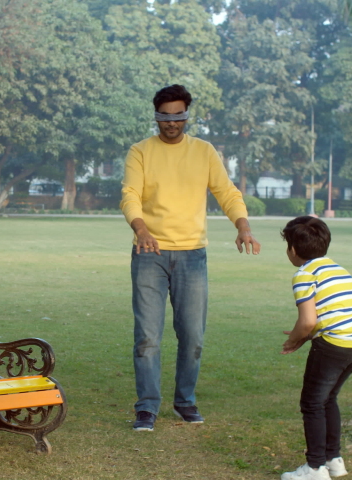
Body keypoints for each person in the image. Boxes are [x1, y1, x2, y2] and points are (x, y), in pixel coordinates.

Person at [120, 84, 261, 432]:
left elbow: (227, 193)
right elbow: (130, 195)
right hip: (149, 254)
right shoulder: (140, 152)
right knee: (147, 337)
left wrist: (243, 226)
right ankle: (147, 407)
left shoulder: (204, 152)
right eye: (165, 116)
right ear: (156, 116)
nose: (172, 122)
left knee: (193, 336)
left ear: (187, 115)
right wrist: (141, 229)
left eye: (178, 115)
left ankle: (185, 401)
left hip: (192, 256)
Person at [279, 216, 352, 480]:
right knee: (328, 399)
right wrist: (305, 335)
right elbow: (330, 313)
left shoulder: (304, 274)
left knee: (312, 403)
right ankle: (333, 460)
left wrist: (295, 340)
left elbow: (308, 321)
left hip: (333, 345)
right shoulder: (338, 269)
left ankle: (315, 468)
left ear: (292, 249)